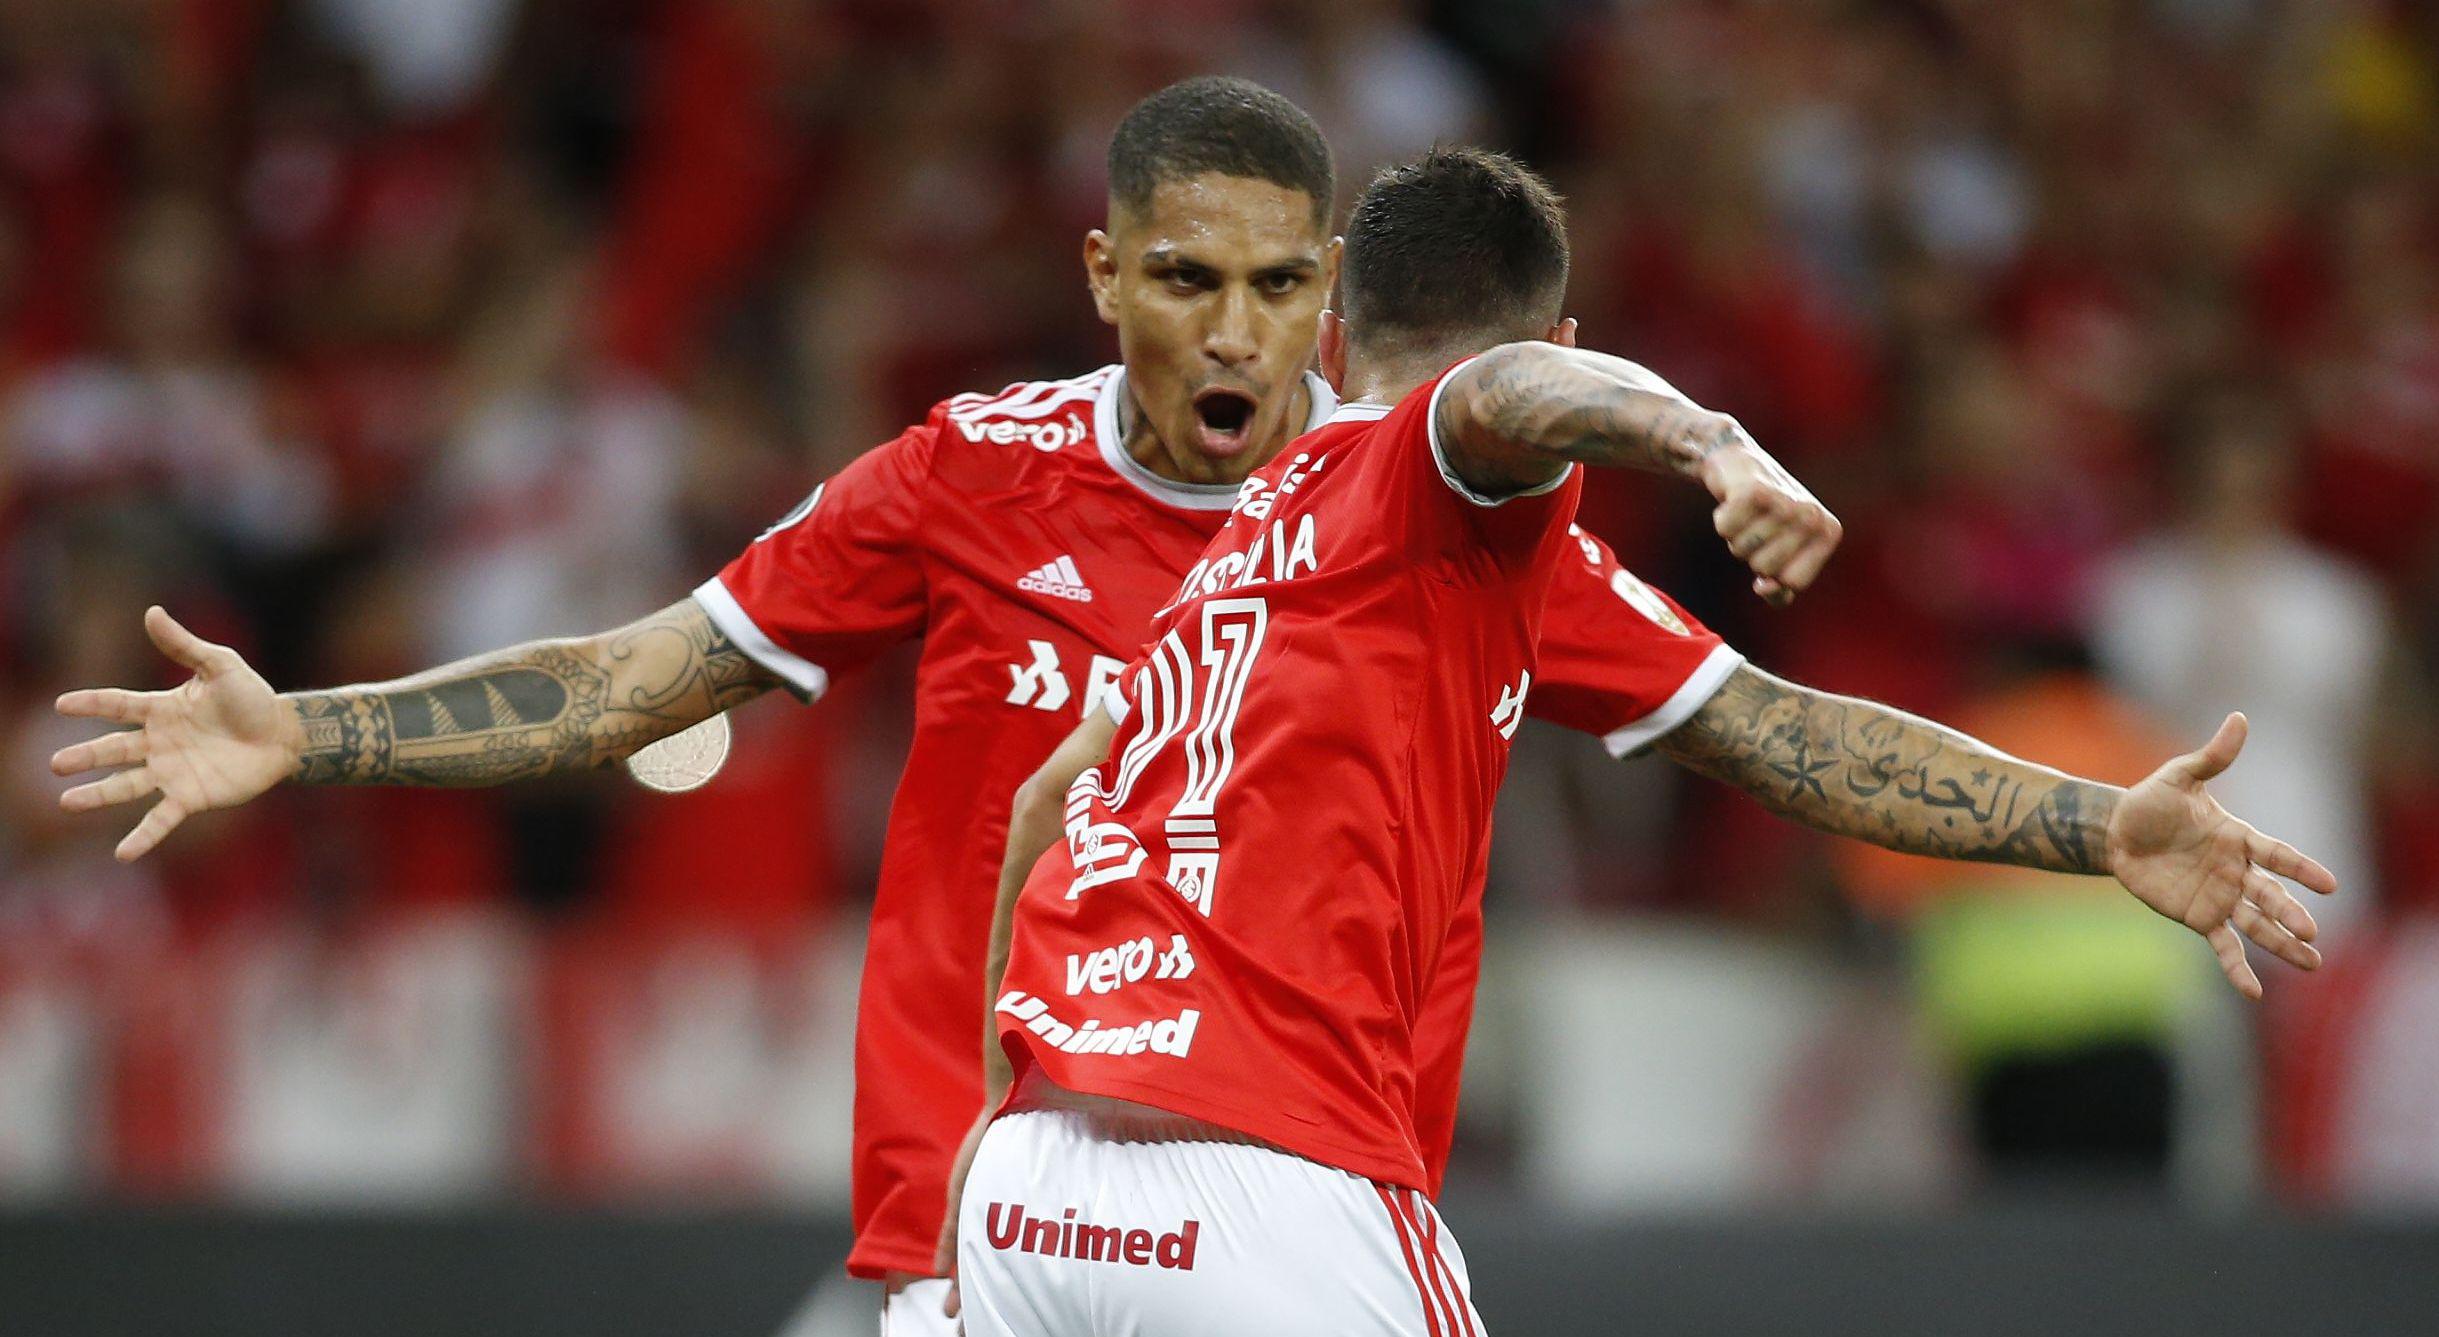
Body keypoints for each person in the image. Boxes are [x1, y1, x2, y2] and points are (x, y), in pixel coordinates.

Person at [46, 79, 1820, 1337]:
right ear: (1104, 275)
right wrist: (313, 729)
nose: (1233, 334)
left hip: (1290, 1188)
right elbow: (626, 680)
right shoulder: (971, 475)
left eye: (1280, 288)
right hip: (980, 1218)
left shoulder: (1439, 530)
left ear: (1333, 295)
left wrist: (2078, 825)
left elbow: (1778, 729)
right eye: (1185, 280)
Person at [953, 146, 2336, 1335]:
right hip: (1262, 1172)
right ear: (1557, 344)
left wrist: (2095, 821)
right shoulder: (1430, 472)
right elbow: (1491, 402)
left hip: (1036, 1179)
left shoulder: (1256, 557)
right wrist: (1712, 439)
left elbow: (1777, 733)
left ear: (1323, 340)